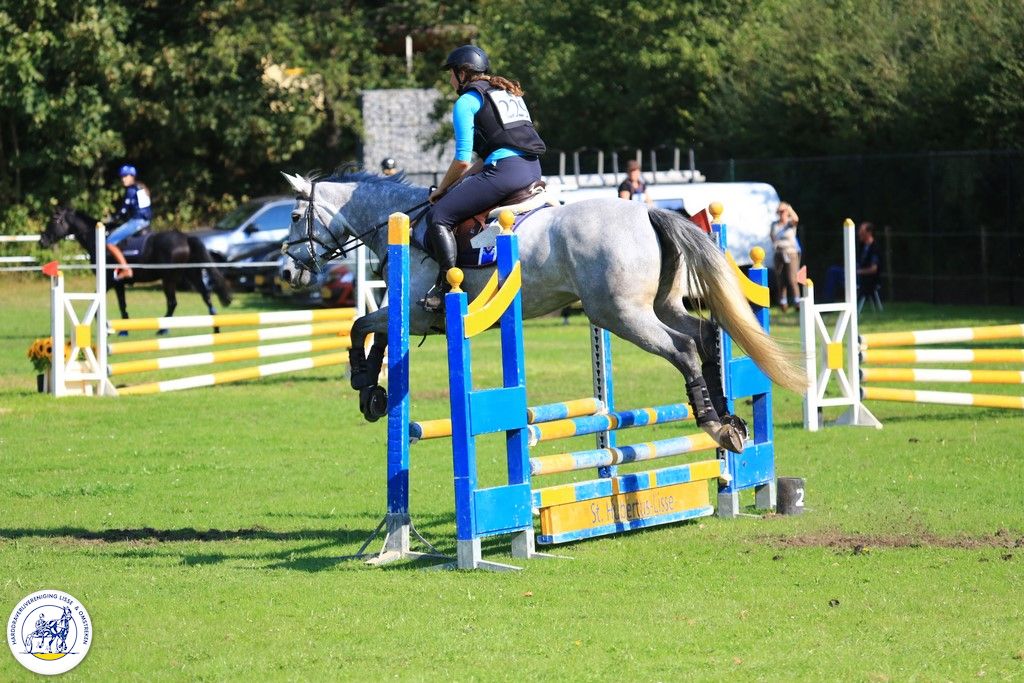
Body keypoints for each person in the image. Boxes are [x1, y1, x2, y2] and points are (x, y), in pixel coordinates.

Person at [420, 44, 546, 312]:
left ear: (463, 73)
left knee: (438, 216)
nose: (450, 80)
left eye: (451, 74)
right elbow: (485, 158)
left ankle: (446, 288)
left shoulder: (466, 101)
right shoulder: (506, 93)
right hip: (532, 169)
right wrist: (454, 185)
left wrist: (441, 189)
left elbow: (462, 160)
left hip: (505, 172)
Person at [106, 164, 152, 245]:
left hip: (137, 221)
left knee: (109, 241)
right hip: (147, 221)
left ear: (132, 176)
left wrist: (113, 219)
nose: (123, 179)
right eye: (121, 177)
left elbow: (123, 210)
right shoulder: (141, 188)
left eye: (125, 176)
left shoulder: (131, 190)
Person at [770, 201, 801, 312]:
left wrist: (790, 209)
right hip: (778, 253)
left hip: (790, 253)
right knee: (780, 278)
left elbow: (796, 219)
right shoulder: (774, 224)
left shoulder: (790, 223)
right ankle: (783, 303)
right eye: (779, 211)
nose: (781, 213)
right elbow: (772, 236)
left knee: (792, 279)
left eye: (783, 211)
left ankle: (797, 302)